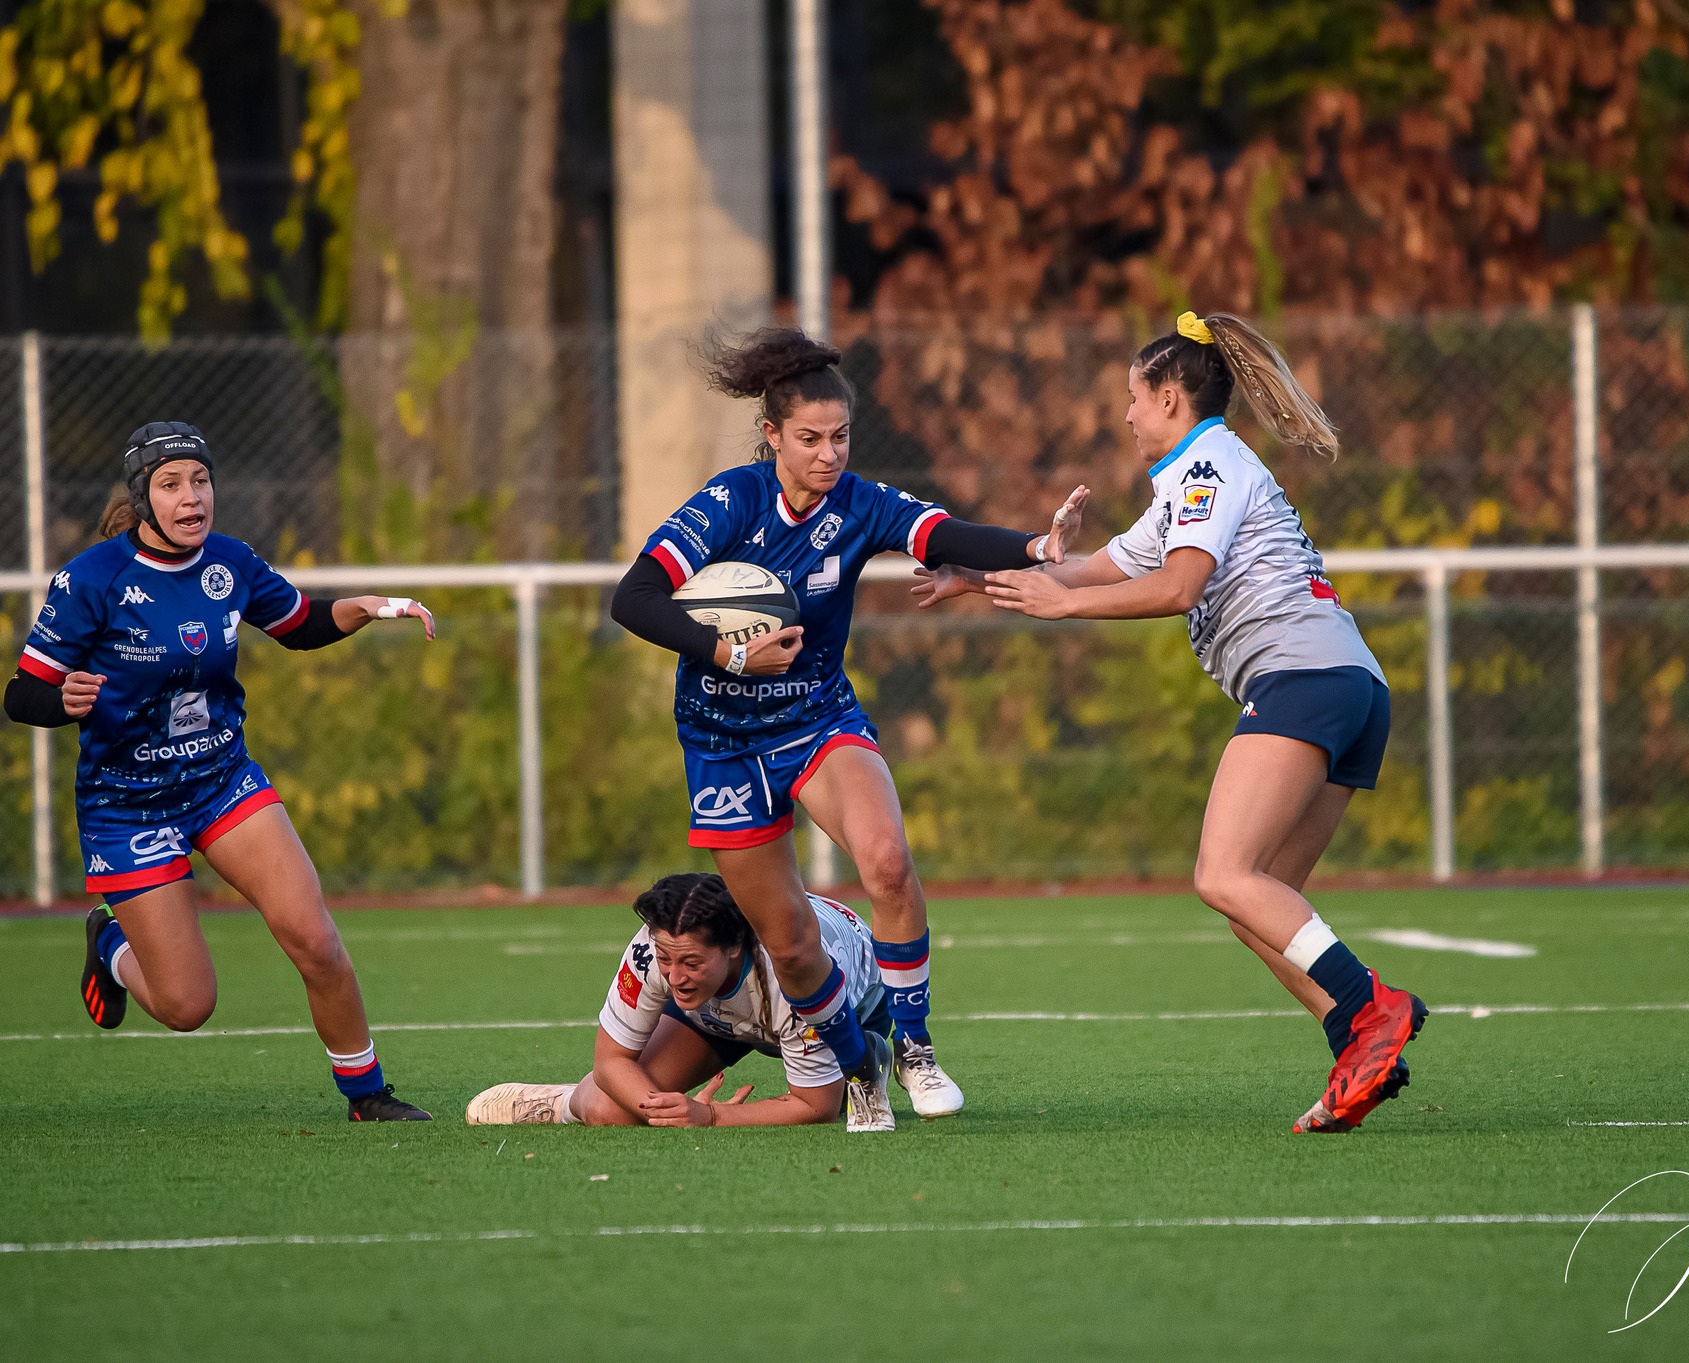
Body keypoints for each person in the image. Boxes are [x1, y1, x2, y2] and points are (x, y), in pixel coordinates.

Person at [913, 312, 1424, 1133]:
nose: (1125, 415)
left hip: (1306, 677)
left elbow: (1179, 586)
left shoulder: (1207, 468)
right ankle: (1357, 1047)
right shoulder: (1188, 482)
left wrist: (1064, 609)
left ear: (1172, 395)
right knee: (1261, 895)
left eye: (1133, 397)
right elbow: (1094, 568)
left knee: (1221, 873)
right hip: (1350, 682)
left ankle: (1374, 1012)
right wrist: (978, 578)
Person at [606, 327, 1088, 1119]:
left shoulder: (859, 503)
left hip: (816, 721)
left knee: (888, 863)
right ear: (772, 436)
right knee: (792, 945)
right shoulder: (729, 503)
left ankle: (914, 1046)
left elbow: (941, 535)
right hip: (722, 745)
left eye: (840, 437)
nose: (828, 454)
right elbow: (634, 598)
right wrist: (731, 650)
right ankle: (858, 1066)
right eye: (809, 439)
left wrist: (1035, 544)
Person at [4, 421, 436, 1121]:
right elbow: (20, 694)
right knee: (186, 1005)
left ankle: (367, 1095)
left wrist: (362, 608)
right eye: (171, 484)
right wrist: (60, 698)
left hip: (220, 781)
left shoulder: (229, 563)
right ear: (143, 499)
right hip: (128, 805)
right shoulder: (91, 579)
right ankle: (110, 943)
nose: (191, 496)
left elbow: (299, 623)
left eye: (200, 480)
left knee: (314, 936)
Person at [464, 872, 894, 1131]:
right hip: (723, 1006)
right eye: (666, 959)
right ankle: (560, 1101)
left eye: (689, 961)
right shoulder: (653, 951)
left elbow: (811, 1107)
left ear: (732, 945)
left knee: (831, 1103)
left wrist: (710, 1117)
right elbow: (612, 1061)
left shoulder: (797, 975)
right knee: (604, 1106)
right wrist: (662, 1110)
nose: (674, 976)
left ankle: (867, 1056)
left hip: (849, 1007)